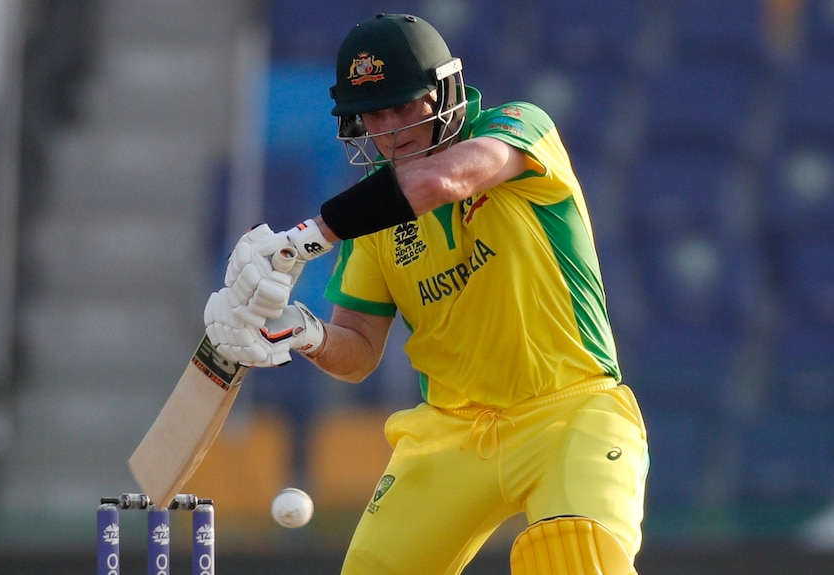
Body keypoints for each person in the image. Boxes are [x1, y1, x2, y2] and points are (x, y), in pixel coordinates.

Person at [204, 13, 648, 575]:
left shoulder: (518, 131)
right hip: (452, 432)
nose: (389, 128)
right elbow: (359, 349)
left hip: (569, 411)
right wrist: (303, 331)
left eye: (403, 105)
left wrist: (302, 240)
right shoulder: (374, 214)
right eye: (373, 113)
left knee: (574, 557)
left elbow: (445, 181)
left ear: (444, 94)